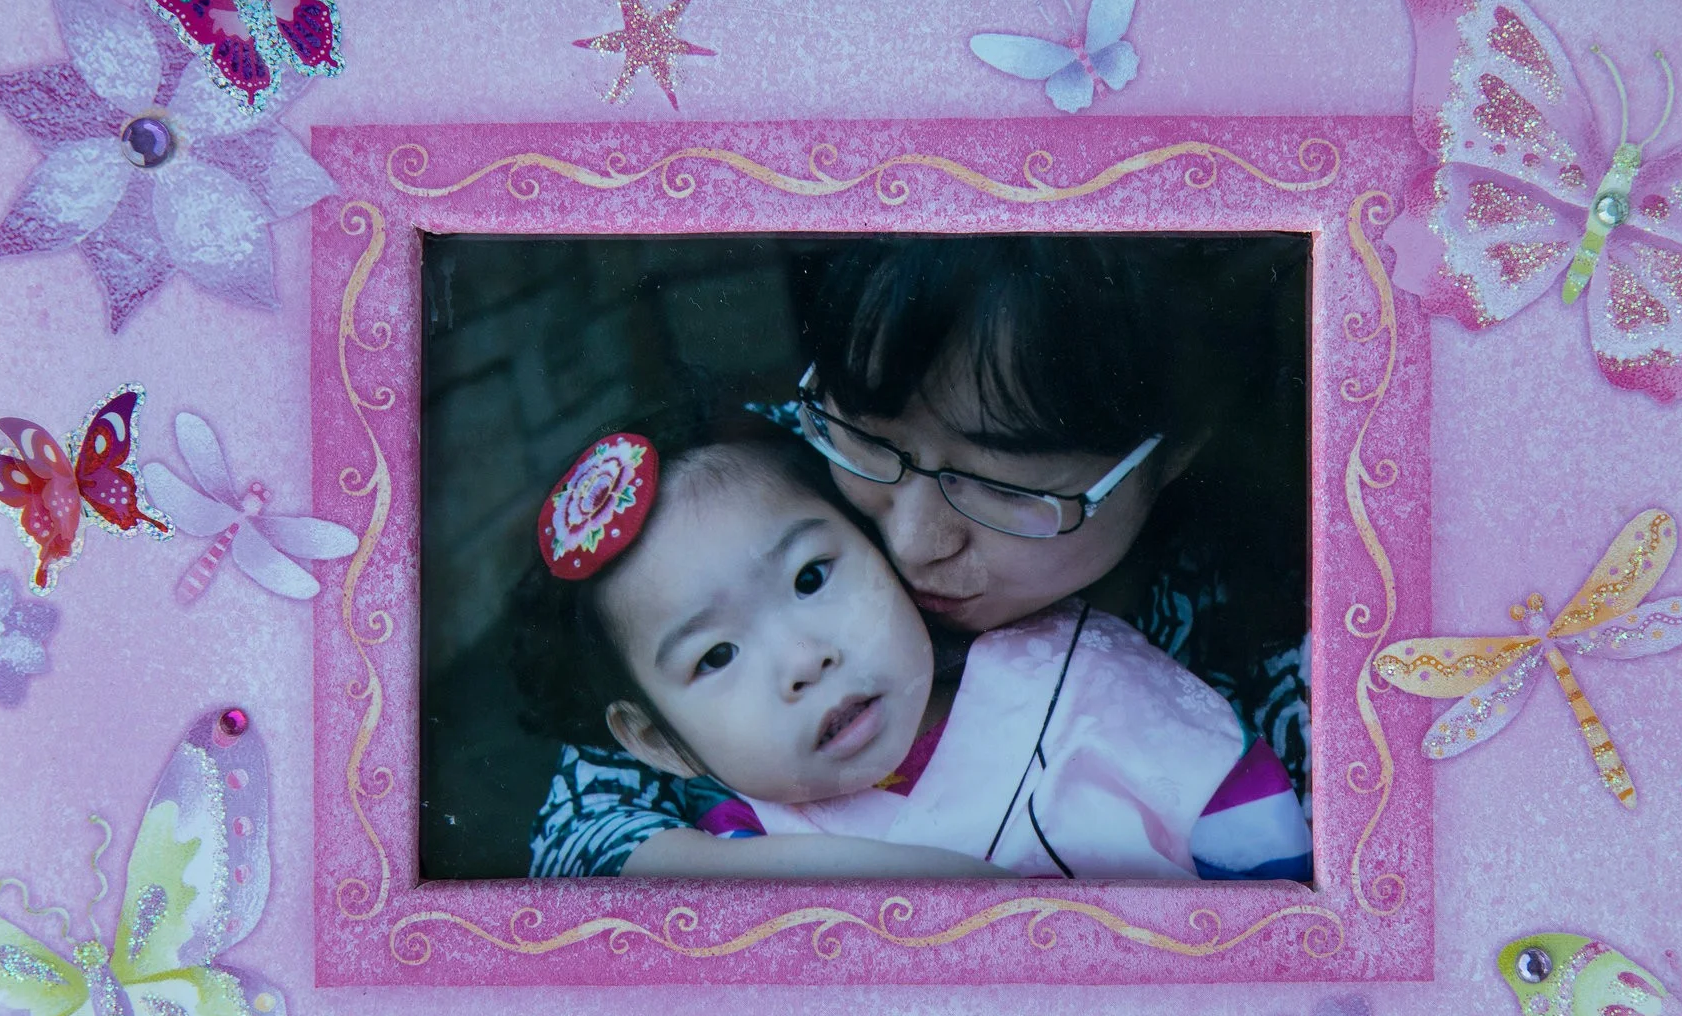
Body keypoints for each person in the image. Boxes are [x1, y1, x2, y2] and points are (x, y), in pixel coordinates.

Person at [527, 236, 1310, 881]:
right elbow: (581, 841)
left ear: (1174, 448)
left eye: (999, 486)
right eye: (873, 439)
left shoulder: (1309, 634)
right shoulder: (763, 489)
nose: (911, 543)